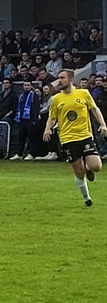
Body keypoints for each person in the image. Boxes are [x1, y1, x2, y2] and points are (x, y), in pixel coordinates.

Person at [43, 69, 107, 207]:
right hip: (67, 139)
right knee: (79, 171)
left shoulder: (83, 94)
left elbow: (94, 109)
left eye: (62, 78)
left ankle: (88, 167)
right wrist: (47, 129)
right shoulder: (56, 99)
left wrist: (102, 124)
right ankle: (87, 198)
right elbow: (52, 117)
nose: (59, 80)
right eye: (59, 78)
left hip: (85, 135)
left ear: (71, 79)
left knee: (96, 166)